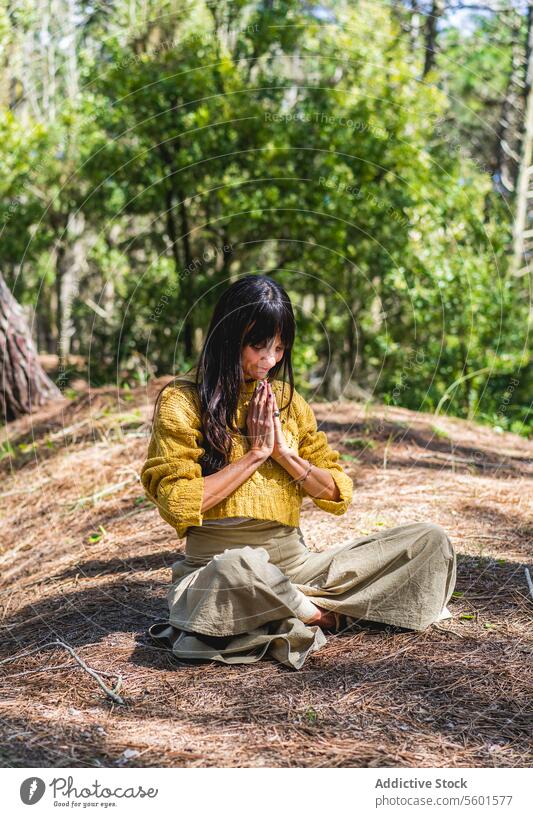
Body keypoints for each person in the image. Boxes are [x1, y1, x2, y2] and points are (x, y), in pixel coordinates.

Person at [141, 274, 456, 670]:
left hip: (296, 565)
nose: (269, 361)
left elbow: (336, 492)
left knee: (428, 540)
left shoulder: (290, 403)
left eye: (278, 348)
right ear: (228, 337)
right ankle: (323, 617)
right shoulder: (182, 401)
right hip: (219, 569)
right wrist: (255, 454)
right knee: (239, 567)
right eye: (258, 346)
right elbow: (179, 502)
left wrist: (286, 455)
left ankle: (295, 605)